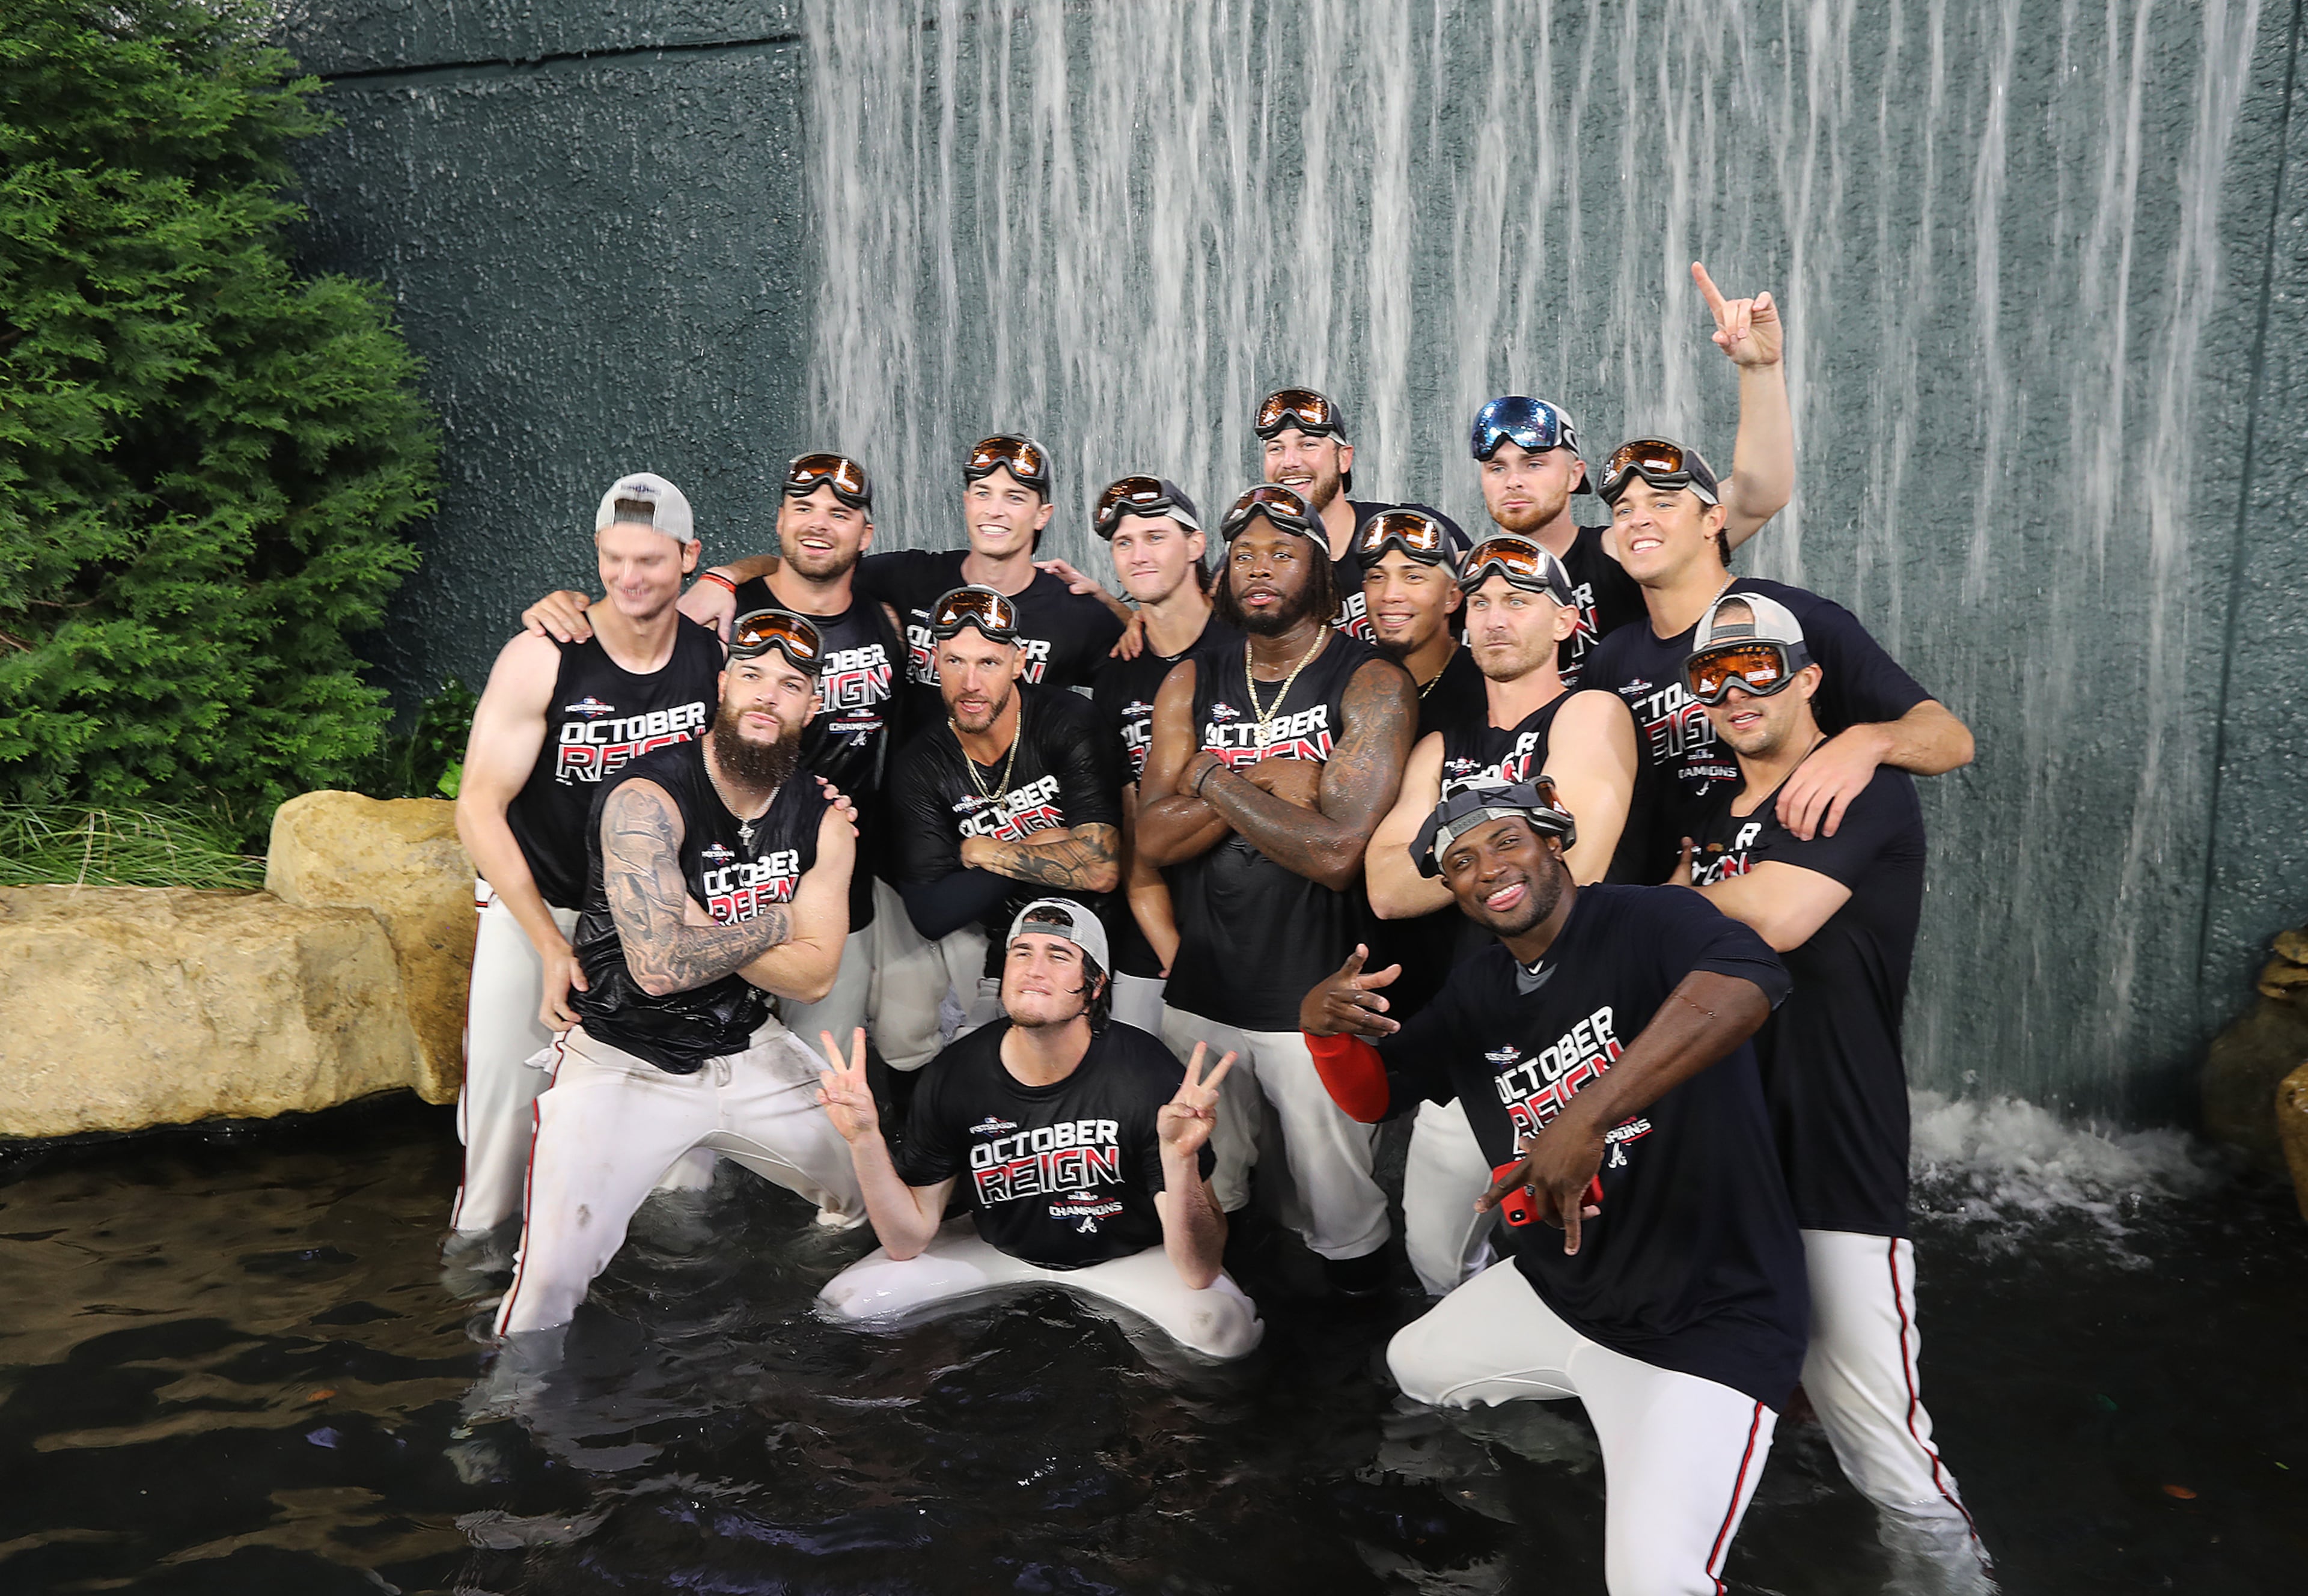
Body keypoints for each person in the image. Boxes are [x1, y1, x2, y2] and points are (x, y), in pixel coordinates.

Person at [1300, 779, 1806, 1595]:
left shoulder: (1648, 920)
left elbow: (1751, 981)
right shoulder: (1479, 990)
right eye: (1460, 862)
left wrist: (1587, 1116)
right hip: (1562, 1293)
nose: (1486, 869)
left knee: (1651, 1583)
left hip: (1706, 1319)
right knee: (1410, 1364)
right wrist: (1320, 1031)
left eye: (1506, 842)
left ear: (1553, 842)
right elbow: (1377, 1095)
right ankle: (1561, 1446)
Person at [1673, 594, 1986, 1565]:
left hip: (1835, 1148)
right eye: (1713, 677)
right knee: (1712, 1395)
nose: (1735, 691)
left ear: (1810, 679)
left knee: (1889, 1447)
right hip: (1729, 1152)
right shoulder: (1699, 809)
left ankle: (1952, 1575)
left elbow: (1771, 916)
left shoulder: (1865, 793)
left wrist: (1658, 904)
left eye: (1758, 668)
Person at [493, 609, 864, 1337]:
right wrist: (779, 919)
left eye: (789, 685)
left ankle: (813, 1303)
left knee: (867, 1194)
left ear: (811, 705)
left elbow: (817, 976)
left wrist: (703, 924)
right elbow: (659, 969)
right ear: (723, 686)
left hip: (746, 1047)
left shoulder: (822, 816)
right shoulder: (646, 800)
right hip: (622, 1059)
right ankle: (499, 1426)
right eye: (751, 677)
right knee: (545, 1289)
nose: (767, 696)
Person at [514, 454, 906, 1063]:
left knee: (819, 1076)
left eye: (839, 512)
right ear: (779, 520)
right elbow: (629, 616)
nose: (819, 524)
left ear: (866, 533)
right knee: (703, 1064)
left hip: (826, 877)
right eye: (803, 508)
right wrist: (568, 607)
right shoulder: (722, 613)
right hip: (705, 889)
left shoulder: (885, 620)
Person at [1137, 484, 1415, 1295]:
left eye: (1284, 555)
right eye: (1246, 556)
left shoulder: (1369, 682)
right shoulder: (1192, 676)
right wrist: (1266, 783)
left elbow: (1337, 852)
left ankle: (1346, 1378)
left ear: (1323, 575)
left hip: (1315, 1001)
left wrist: (1210, 783)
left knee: (1342, 1212)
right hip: (1203, 990)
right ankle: (1239, 1362)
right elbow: (1151, 839)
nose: (1260, 570)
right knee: (1215, 1187)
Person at [448, 472, 722, 1243]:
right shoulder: (545, 657)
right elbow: (477, 807)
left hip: (654, 919)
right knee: (504, 1122)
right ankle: (474, 1271)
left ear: (690, 557)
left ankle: (674, 1284)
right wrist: (545, 941)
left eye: (651, 561)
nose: (630, 579)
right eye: (613, 559)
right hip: (545, 904)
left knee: (681, 1131)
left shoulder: (713, 657)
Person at [1364, 535, 1638, 1296]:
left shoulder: (1590, 711)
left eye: (1518, 602)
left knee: (1602, 1260)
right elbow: (1385, 884)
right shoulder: (1442, 743)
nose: (1494, 618)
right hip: (1477, 1041)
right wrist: (1510, 860)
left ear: (1564, 622)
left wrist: (1451, 858)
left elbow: (1571, 868)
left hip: (1580, 1049)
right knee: (1436, 1260)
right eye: (1480, 602)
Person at [813, 900, 1262, 1360]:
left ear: (1094, 987)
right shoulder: (955, 1073)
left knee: (1222, 1335)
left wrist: (1180, 1160)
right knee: (845, 1307)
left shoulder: (1146, 1076)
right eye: (1022, 953)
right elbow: (906, 1241)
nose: (1034, 968)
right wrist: (865, 1139)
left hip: (1130, 1258)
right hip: (998, 1251)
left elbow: (1199, 1270)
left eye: (1059, 955)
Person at [1586, 438, 1974, 878]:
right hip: (1657, 908)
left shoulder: (1793, 620)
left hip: (1787, 884)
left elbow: (1951, 740)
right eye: (1623, 510)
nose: (1639, 520)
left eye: (1663, 503)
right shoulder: (1612, 660)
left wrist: (1867, 742)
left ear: (1713, 520)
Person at [1467, 262, 1792, 687]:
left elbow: (1757, 497)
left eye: (1534, 464)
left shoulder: (1626, 550)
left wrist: (1760, 369)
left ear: (1574, 475)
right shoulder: (1469, 580)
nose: (1513, 481)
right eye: (1496, 468)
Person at [881, 585, 1123, 1071]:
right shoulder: (920, 764)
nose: (970, 683)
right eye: (954, 662)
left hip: (1104, 935)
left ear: (1018, 662)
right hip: (1002, 946)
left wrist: (984, 850)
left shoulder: (1066, 721)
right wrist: (1041, 847)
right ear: (934, 662)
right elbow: (931, 910)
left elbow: (1100, 870)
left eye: (988, 663)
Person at [1084, 478, 1240, 1034]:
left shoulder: (1248, 649)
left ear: (1196, 545)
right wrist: (1171, 948)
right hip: (1153, 936)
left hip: (1252, 921)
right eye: (1124, 543)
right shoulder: (1114, 678)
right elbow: (1127, 828)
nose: (1138, 555)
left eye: (1155, 536)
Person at [1253, 385, 1468, 639]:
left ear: (1344, 458)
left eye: (1308, 445)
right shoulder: (1253, 565)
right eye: (1276, 448)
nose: (1290, 461)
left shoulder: (1417, 528)